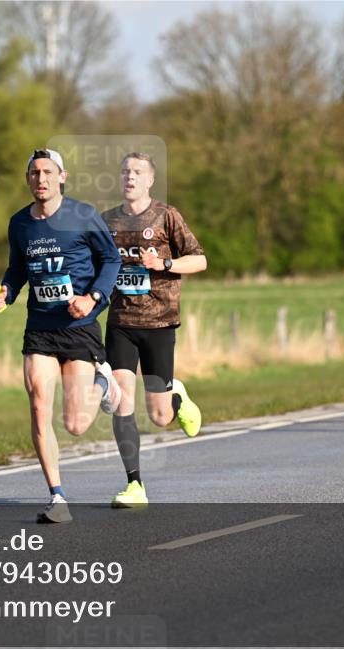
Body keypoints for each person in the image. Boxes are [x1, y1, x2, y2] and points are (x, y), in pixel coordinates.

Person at [0, 148, 122, 523]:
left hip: (79, 327)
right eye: (34, 173)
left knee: (76, 425)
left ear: (62, 176)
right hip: (41, 329)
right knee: (37, 403)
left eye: (48, 172)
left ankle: (103, 381)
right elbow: (17, 270)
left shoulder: (82, 216)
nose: (41, 179)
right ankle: (57, 497)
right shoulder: (19, 224)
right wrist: (5, 292)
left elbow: (111, 260)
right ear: (28, 179)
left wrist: (93, 296)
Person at [100, 152, 207, 508]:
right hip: (121, 323)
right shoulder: (107, 220)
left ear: (149, 180)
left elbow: (200, 259)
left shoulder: (166, 215)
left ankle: (175, 395)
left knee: (160, 416)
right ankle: (135, 485)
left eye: (138, 172)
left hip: (159, 323)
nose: (130, 177)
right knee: (121, 402)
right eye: (125, 171)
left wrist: (163, 263)